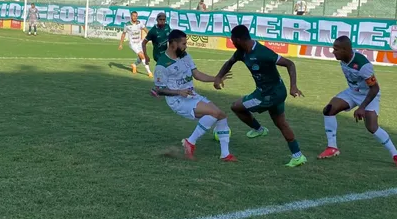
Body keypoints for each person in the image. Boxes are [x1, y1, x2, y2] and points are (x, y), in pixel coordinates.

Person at [214, 25, 307, 167]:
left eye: (233, 40)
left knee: (236, 106)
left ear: (239, 40)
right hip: (269, 91)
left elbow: (290, 64)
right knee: (281, 123)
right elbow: (229, 62)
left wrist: (293, 86)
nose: (232, 43)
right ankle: (297, 155)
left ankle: (259, 129)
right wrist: (218, 76)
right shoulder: (241, 52)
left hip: (269, 95)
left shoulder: (263, 52)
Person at [318, 36, 397, 170]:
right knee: (329, 110)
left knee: (372, 127)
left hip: (368, 95)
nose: (333, 52)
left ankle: (396, 155)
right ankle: (332, 147)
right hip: (352, 92)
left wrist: (362, 107)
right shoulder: (343, 59)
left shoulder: (363, 65)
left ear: (346, 49)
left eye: (336, 49)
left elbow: (375, 88)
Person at [153, 29, 237, 162]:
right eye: (184, 44)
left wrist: (215, 78)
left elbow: (197, 74)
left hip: (191, 96)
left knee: (221, 115)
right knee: (214, 113)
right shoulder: (162, 65)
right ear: (173, 44)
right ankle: (190, 142)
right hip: (177, 100)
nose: (186, 46)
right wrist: (178, 92)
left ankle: (225, 154)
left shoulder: (185, 56)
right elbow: (159, 90)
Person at [119, 11, 152, 77]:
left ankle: (134, 65)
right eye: (134, 16)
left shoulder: (140, 23)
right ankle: (149, 72)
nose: (135, 17)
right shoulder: (127, 25)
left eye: (136, 16)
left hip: (140, 43)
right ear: (131, 16)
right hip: (132, 44)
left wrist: (150, 36)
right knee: (142, 56)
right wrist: (121, 44)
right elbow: (123, 34)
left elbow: (145, 30)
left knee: (141, 58)